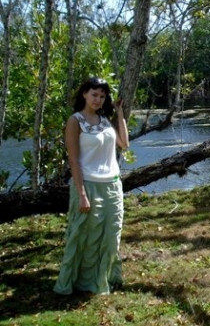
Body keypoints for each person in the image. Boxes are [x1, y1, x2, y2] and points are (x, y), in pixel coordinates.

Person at [54, 77, 129, 295]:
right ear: (84, 94)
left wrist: (120, 114)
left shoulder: (105, 120)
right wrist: (82, 194)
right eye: (94, 94)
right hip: (88, 185)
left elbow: (124, 144)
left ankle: (104, 278)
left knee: (111, 235)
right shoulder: (75, 121)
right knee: (83, 236)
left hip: (113, 186)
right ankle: (78, 282)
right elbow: (74, 160)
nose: (98, 99)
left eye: (102, 96)